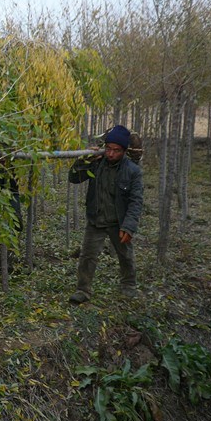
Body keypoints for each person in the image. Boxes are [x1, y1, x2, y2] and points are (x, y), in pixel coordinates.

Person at [68, 125, 143, 303]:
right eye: (108, 149)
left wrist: (129, 226)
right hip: (96, 219)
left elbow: (136, 201)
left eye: (116, 150)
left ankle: (128, 285)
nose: (110, 154)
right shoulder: (95, 164)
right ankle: (83, 290)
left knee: (125, 255)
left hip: (119, 221)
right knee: (87, 256)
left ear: (124, 151)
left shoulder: (132, 171)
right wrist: (85, 159)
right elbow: (73, 178)